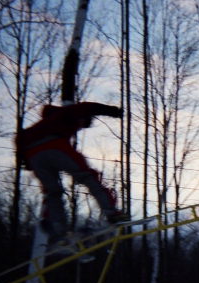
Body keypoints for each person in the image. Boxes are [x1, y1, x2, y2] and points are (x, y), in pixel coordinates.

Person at [16, 101, 129, 244]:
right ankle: (112, 213)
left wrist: (23, 159)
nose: (80, 127)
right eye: (83, 124)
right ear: (81, 118)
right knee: (88, 176)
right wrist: (113, 111)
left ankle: (58, 230)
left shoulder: (42, 124)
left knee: (52, 191)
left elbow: (20, 137)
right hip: (55, 146)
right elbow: (87, 107)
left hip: (33, 155)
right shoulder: (67, 113)